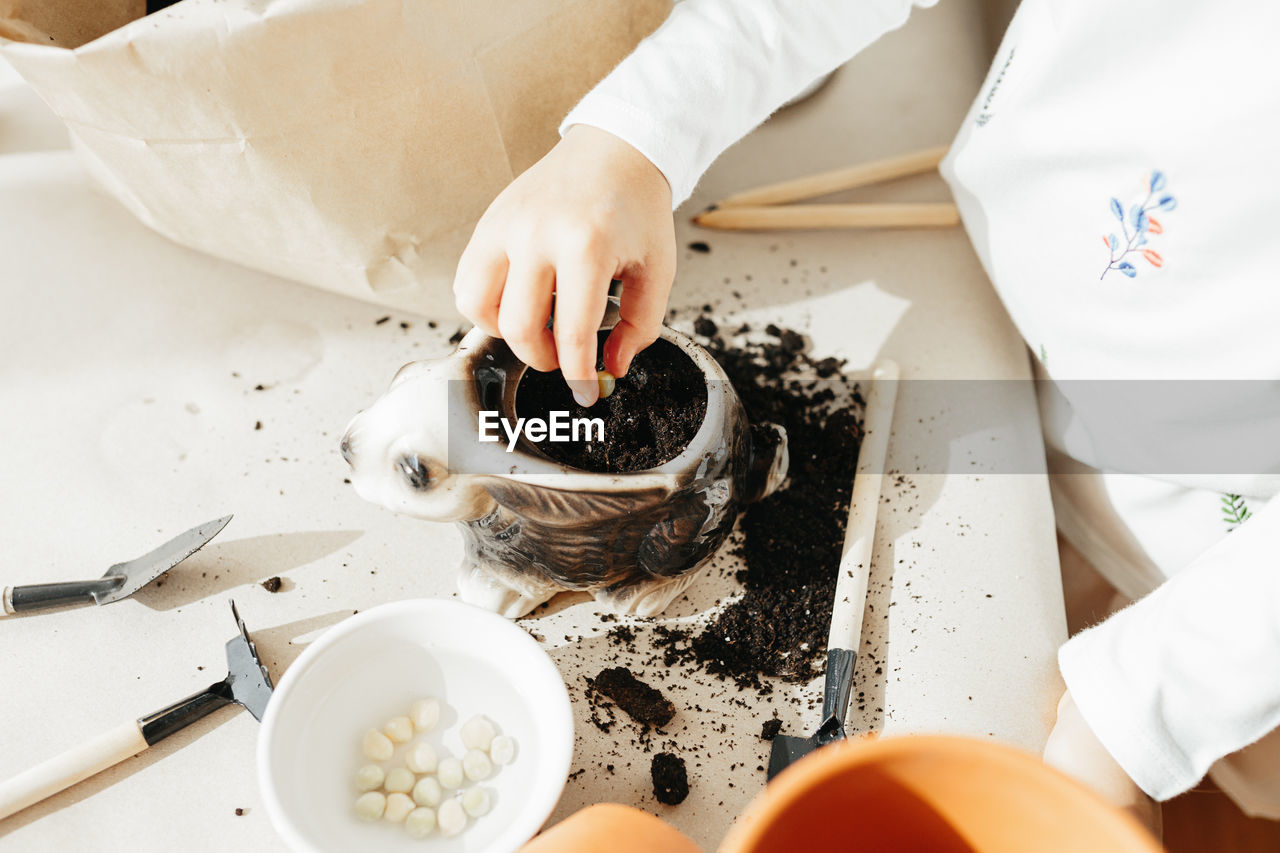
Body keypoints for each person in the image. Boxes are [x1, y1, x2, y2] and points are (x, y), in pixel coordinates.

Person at [451, 0, 1280, 831]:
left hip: (1218, 583)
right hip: (1016, 341)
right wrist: (629, 140)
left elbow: (1186, 674)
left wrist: (1139, 712)